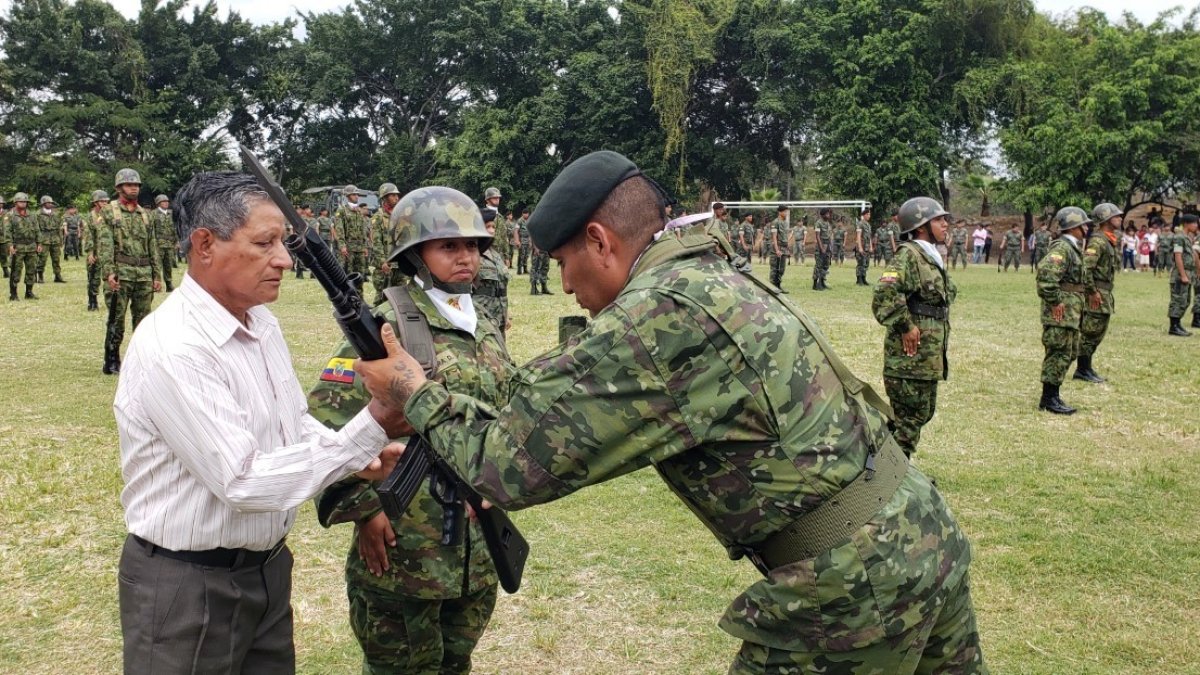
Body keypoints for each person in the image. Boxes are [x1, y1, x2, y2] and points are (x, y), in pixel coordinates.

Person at [357, 150, 985, 674]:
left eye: (563, 265)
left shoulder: (658, 317)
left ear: (598, 242)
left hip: (851, 588)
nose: (568, 287)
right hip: (920, 536)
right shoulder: (709, 273)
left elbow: (506, 468)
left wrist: (415, 389)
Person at [114, 171, 409, 675]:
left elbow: (291, 422)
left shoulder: (259, 321)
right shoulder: (176, 346)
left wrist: (358, 457)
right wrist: (372, 424)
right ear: (204, 244)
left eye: (283, 242)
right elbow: (244, 480)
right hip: (189, 585)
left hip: (266, 570)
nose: (284, 259)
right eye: (264, 242)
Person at [309, 187, 512, 674]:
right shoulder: (387, 328)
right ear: (414, 256)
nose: (466, 258)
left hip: (475, 545)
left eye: (473, 246)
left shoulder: (482, 322)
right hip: (405, 549)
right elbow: (325, 424)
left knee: (455, 663)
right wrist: (361, 510)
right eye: (448, 246)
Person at [872, 197, 956, 457]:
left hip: (926, 356)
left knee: (919, 413)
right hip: (909, 358)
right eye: (939, 220)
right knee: (910, 418)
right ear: (921, 226)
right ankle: (895, 479)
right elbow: (884, 294)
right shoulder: (909, 255)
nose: (945, 224)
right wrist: (906, 326)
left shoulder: (928, 256)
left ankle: (880, 467)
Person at [98, 168, 161, 375]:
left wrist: (156, 275)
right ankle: (112, 359)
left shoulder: (145, 215)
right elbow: (105, 245)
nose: (133, 188)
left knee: (143, 320)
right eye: (129, 185)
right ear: (119, 188)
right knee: (117, 318)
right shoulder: (109, 212)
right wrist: (109, 273)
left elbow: (152, 246)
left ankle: (139, 358)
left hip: (143, 274)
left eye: (136, 185)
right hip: (120, 274)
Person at [1037, 207, 1090, 414]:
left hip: (1071, 310)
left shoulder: (1072, 247)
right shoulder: (1062, 248)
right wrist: (1055, 302)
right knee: (1058, 352)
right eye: (1083, 224)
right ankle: (1049, 398)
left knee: (1069, 352)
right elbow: (1046, 277)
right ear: (1074, 226)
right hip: (1061, 310)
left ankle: (1053, 395)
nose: (1086, 228)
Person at [1075, 203, 1121, 383]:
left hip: (1104, 291)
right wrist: (1092, 292)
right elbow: (1086, 269)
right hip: (1097, 292)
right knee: (1090, 331)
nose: (1120, 218)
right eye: (1116, 216)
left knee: (1098, 330)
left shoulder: (1108, 239)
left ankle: (1086, 367)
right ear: (1106, 219)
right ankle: (1082, 369)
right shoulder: (1098, 241)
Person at [476, 209, 511, 331]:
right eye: (487, 227)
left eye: (493, 227)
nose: (491, 230)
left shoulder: (496, 255)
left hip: (498, 316)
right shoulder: (473, 256)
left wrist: (506, 315)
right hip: (480, 317)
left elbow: (502, 288)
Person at [369, 182, 403, 305]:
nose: (396, 198)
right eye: (392, 195)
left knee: (402, 296)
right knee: (382, 297)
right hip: (385, 264)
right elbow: (376, 241)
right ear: (384, 197)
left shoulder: (401, 215)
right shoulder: (378, 217)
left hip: (400, 263)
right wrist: (382, 261)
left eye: (397, 195)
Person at [5, 193, 41, 300]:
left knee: (31, 270)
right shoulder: (10, 215)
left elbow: (37, 230)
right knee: (16, 270)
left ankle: (29, 292)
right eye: (21, 202)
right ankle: (13, 294)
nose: (23, 203)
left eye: (25, 202)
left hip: (31, 246)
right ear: (15, 202)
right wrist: (10, 245)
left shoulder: (32, 215)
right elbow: (8, 232)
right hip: (18, 247)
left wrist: (39, 243)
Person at [1168, 214, 1198, 336]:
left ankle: (1178, 324)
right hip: (1181, 273)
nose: (1196, 225)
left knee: (1185, 300)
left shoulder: (1187, 237)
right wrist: (1183, 274)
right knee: (1178, 300)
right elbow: (1178, 256)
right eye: (1194, 223)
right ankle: (1173, 326)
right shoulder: (1179, 238)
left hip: (1188, 272)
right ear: (1186, 224)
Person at [336, 185, 369, 290]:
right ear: (348, 195)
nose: (357, 196)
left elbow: (363, 229)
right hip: (348, 246)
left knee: (360, 274)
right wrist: (342, 245)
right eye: (354, 194)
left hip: (359, 247)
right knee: (348, 274)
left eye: (357, 194)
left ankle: (359, 298)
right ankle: (347, 297)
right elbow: (340, 229)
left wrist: (365, 246)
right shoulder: (342, 211)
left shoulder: (359, 211)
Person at [83, 190, 110, 311]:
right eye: (102, 201)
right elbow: (88, 234)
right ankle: (92, 301)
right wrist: (90, 253)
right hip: (96, 251)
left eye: (106, 201)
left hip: (108, 251)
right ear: (95, 202)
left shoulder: (110, 214)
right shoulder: (90, 216)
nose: (104, 203)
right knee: (93, 277)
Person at [35, 195, 65, 283]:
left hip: (55, 239)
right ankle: (40, 276)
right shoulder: (38, 214)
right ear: (43, 204)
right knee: (42, 259)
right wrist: (38, 242)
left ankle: (57, 276)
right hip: (43, 239)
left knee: (56, 259)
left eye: (51, 202)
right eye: (48, 202)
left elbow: (59, 227)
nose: (50, 204)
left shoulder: (56, 213)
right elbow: (36, 229)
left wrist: (61, 240)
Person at [150, 194, 177, 291]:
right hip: (158, 244)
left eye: (167, 201)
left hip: (169, 244)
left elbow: (174, 228)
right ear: (158, 203)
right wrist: (152, 242)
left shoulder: (171, 214)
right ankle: (156, 284)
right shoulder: (153, 214)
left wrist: (176, 241)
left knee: (168, 265)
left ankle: (169, 284)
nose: (166, 203)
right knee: (157, 265)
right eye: (163, 201)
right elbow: (151, 229)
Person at [766, 205, 789, 291]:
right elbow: (774, 237)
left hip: (784, 248)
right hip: (777, 248)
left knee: (782, 268)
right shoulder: (775, 222)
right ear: (780, 212)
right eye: (785, 211)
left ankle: (778, 285)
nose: (786, 213)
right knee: (775, 268)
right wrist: (777, 250)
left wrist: (787, 248)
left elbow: (785, 237)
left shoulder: (784, 222)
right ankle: (772, 287)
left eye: (787, 211)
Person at [812, 207, 833, 290]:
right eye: (827, 214)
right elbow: (817, 236)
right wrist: (821, 248)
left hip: (828, 246)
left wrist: (830, 247)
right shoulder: (818, 223)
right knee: (819, 265)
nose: (828, 215)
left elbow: (829, 235)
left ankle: (822, 282)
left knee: (826, 265)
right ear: (823, 214)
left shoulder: (828, 223)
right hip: (821, 246)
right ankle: (815, 284)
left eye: (829, 213)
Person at [854, 207, 873, 285]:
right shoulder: (860, 223)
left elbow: (869, 237)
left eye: (869, 214)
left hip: (867, 246)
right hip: (862, 245)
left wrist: (871, 246)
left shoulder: (868, 225)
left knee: (866, 263)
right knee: (861, 263)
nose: (869, 216)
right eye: (867, 214)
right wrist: (860, 247)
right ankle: (859, 279)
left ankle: (864, 278)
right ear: (864, 215)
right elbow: (858, 236)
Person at [513, 206, 531, 275]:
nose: (526, 215)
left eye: (527, 214)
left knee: (526, 255)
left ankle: (525, 269)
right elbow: (516, 231)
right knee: (521, 255)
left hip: (527, 240)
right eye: (525, 214)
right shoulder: (519, 221)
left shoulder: (529, 220)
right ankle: (519, 270)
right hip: (521, 240)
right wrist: (517, 241)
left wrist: (530, 241)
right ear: (522, 214)